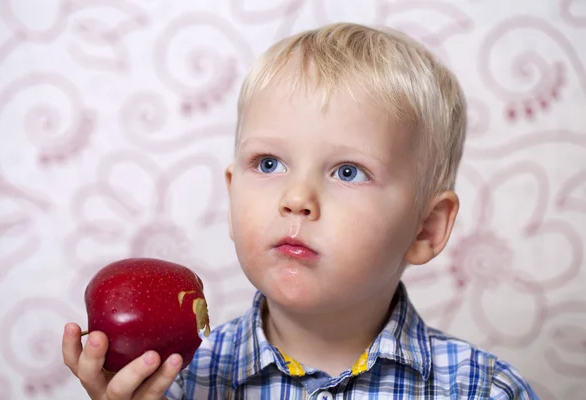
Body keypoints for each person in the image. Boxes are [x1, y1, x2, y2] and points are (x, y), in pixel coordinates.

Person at [62, 22, 539, 399]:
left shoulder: (484, 389)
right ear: (232, 198)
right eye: (269, 163)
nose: (296, 198)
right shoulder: (175, 383)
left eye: (348, 171)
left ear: (426, 229)